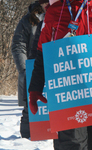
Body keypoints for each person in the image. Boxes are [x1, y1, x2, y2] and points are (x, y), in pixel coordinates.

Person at [28, 0, 92, 149]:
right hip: (68, 93)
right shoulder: (55, 11)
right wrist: (35, 88)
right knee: (73, 144)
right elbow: (42, 53)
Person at [11, 0, 49, 139]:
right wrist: (24, 69)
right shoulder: (28, 21)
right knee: (30, 107)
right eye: (44, 2)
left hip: (53, 67)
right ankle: (27, 140)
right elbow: (18, 45)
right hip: (33, 68)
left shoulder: (61, 15)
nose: (47, 5)